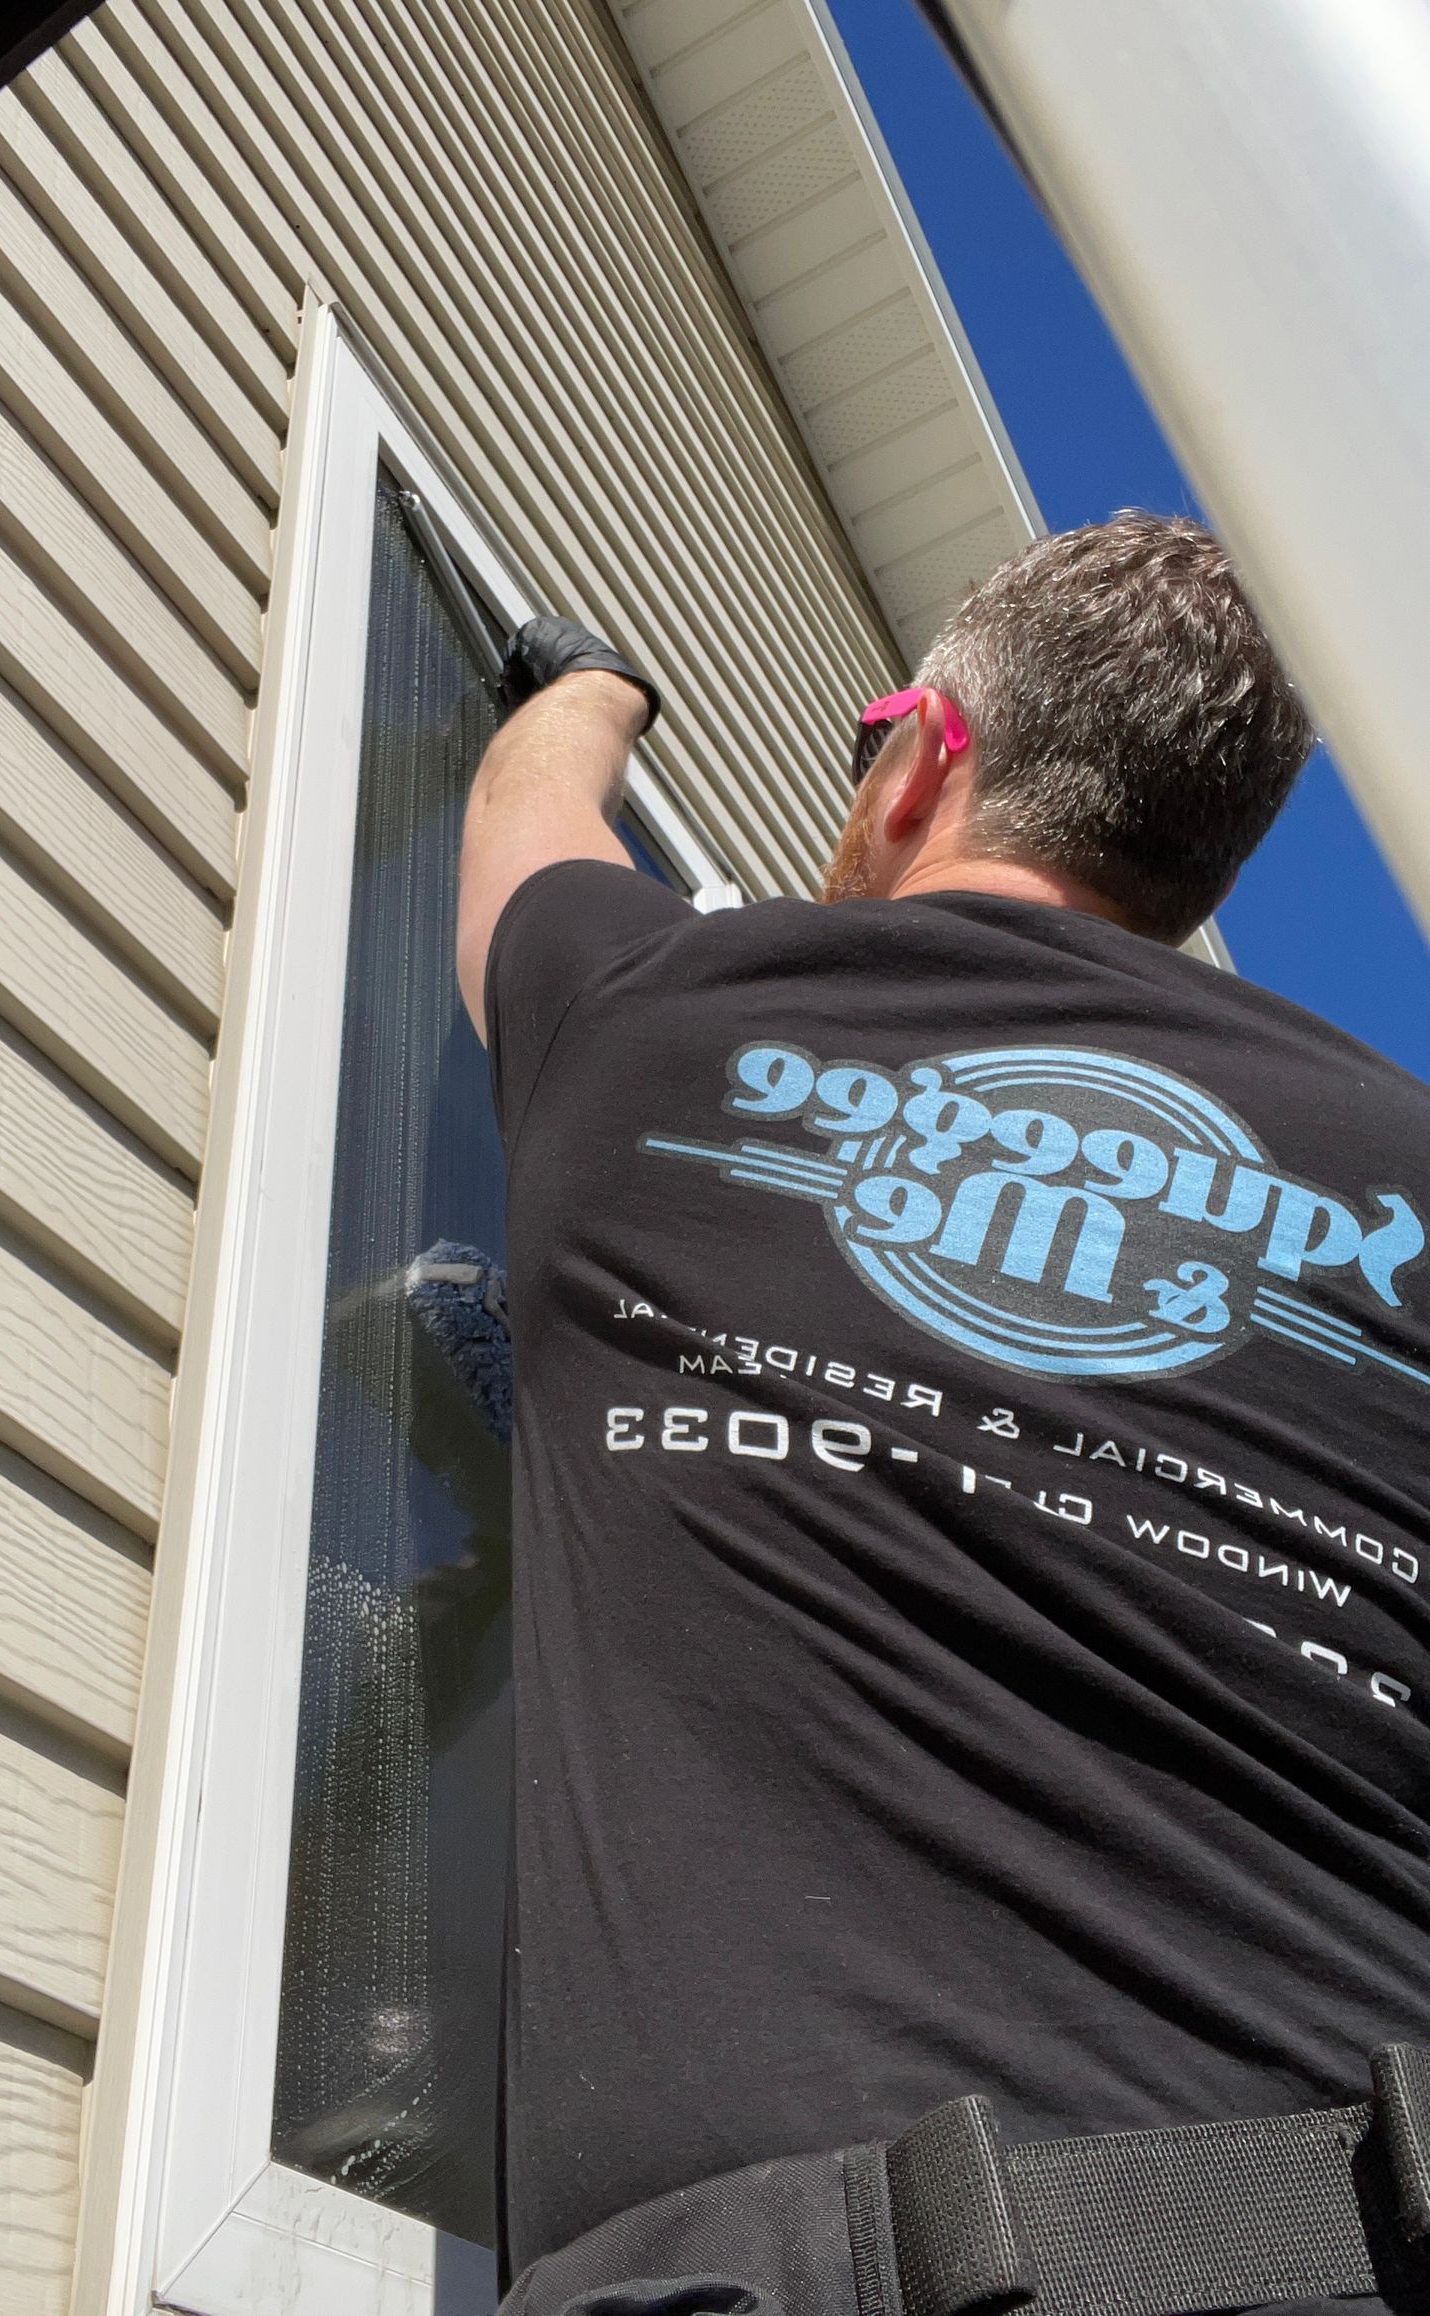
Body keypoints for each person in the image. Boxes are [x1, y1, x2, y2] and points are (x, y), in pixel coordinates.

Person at [455, 512, 1430, 2316]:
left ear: (926, 758)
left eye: (866, 740)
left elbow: (531, 816)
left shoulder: (648, 1014)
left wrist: (588, 679)